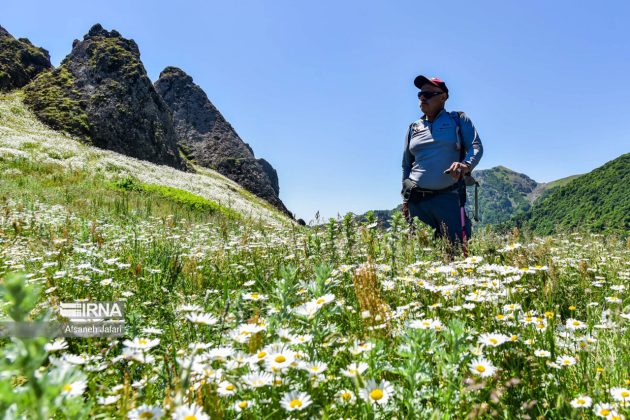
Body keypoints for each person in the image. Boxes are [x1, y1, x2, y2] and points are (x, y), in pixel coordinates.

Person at [401, 75, 483, 248]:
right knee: (422, 255)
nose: (423, 97)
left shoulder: (458, 120)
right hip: (416, 201)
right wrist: (405, 199)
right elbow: (406, 164)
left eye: (428, 94)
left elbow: (476, 146)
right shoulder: (413, 128)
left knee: (457, 251)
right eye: (420, 95)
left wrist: (465, 165)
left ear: (443, 97)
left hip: (448, 198)